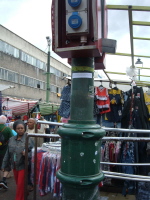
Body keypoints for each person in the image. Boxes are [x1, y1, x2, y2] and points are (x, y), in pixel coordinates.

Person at [1, 120, 34, 200]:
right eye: (18, 128)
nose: (20, 130)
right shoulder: (11, 139)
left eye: (22, 128)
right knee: (19, 183)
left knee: (20, 185)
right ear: (15, 129)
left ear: (24, 129)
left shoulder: (29, 139)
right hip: (14, 165)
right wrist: (4, 165)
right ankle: (25, 192)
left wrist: (27, 154)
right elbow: (7, 153)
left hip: (24, 165)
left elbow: (33, 153)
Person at [0, 115, 13, 189]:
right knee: (6, 164)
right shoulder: (7, 129)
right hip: (5, 150)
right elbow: (11, 139)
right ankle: (4, 179)